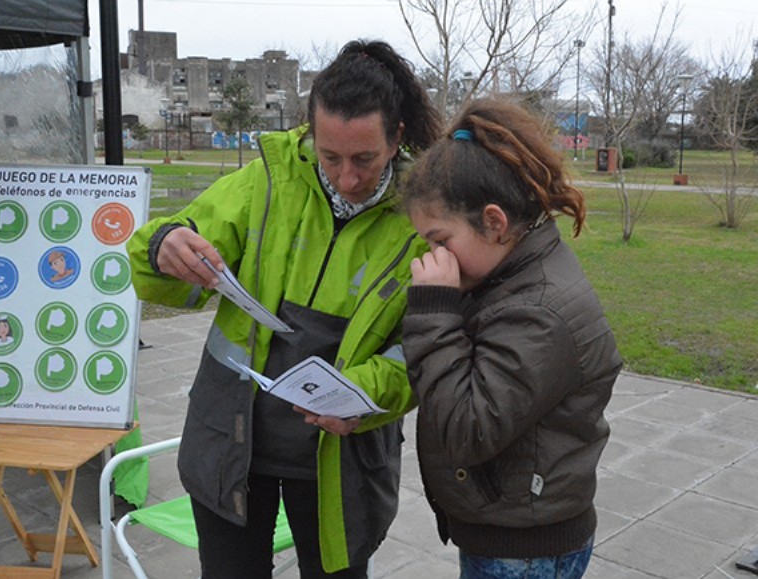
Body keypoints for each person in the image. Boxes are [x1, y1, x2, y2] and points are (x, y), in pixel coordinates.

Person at [126, 40, 441, 578]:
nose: (346, 178)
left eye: (364, 159)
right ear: (310, 136)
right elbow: (168, 264)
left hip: (340, 461)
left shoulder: (426, 215)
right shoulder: (268, 181)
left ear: (397, 138)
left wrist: (366, 393)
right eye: (330, 156)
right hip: (231, 443)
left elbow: (427, 346)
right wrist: (164, 245)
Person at [400, 98, 622, 579]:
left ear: (494, 223)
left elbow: (467, 428)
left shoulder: (537, 309)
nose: (433, 256)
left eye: (440, 241)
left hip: (523, 549)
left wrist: (434, 310)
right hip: (511, 528)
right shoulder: (510, 276)